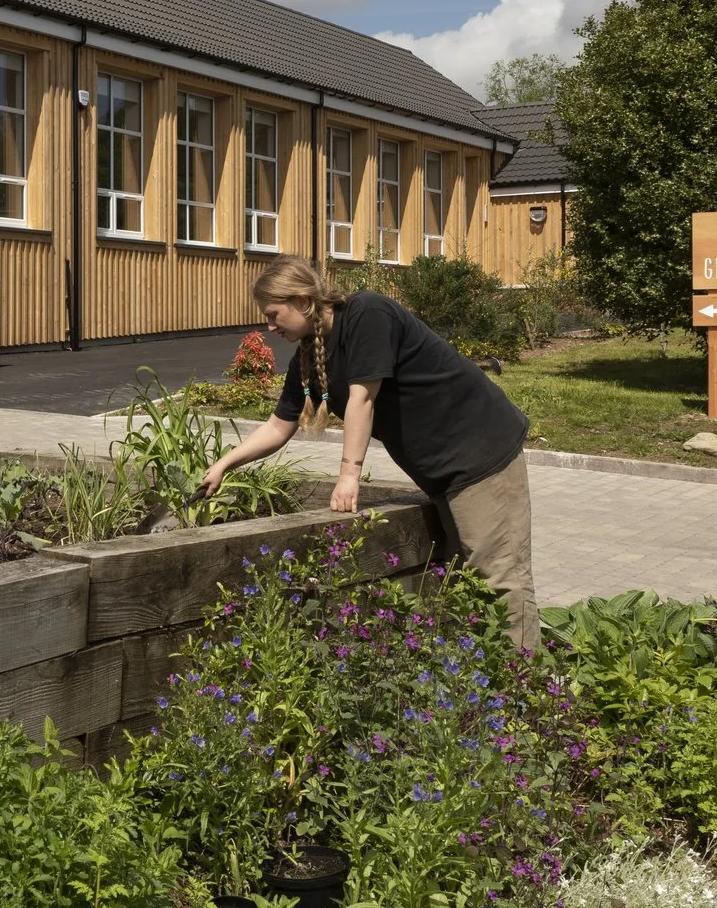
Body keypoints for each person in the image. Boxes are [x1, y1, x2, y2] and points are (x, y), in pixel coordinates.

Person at [202, 255, 539, 647]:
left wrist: (349, 475)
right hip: (444, 472)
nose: (270, 326)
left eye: (274, 315)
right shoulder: (310, 356)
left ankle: (525, 680)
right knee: (463, 577)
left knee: (500, 579)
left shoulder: (368, 314)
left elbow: (362, 398)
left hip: (480, 453)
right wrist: (224, 464)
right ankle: (487, 676)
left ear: (302, 301)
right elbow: (278, 426)